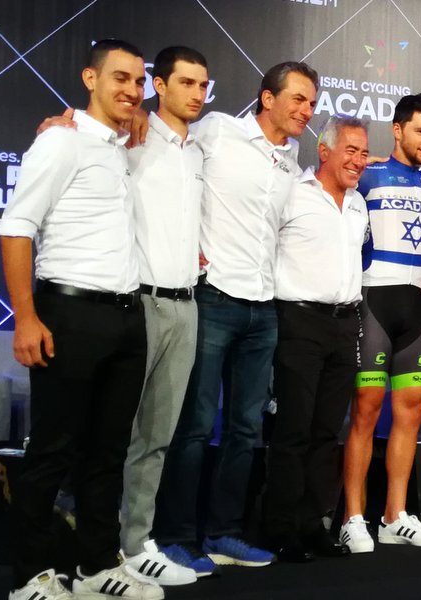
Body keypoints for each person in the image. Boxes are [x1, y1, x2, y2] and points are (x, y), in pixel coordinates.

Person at [0, 39, 163, 600]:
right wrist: (25, 317)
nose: (132, 90)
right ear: (90, 78)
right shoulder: (59, 141)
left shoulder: (123, 146)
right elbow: (16, 228)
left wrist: (134, 122)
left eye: (138, 81)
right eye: (120, 78)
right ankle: (30, 575)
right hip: (68, 312)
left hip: (126, 317)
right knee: (51, 452)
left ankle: (95, 567)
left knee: (108, 454)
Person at [154, 61, 317, 570]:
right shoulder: (218, 130)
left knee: (246, 431)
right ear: (267, 98)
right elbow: (161, 134)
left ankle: (224, 534)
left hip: (263, 310)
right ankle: (175, 537)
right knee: (195, 426)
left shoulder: (293, 157)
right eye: (298, 99)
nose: (306, 111)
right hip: (213, 300)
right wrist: (79, 119)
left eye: (312, 103)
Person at [118, 45, 211, 587]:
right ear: (159, 85)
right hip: (138, 302)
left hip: (187, 304)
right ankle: (96, 541)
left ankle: (137, 542)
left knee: (157, 435)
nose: (197, 94)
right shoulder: (129, 135)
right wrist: (59, 120)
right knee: (119, 430)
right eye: (187, 83)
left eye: (203, 85)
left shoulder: (200, 150)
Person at [338, 93, 421, 553]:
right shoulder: (368, 175)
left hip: (415, 310)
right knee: (365, 410)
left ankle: (394, 515)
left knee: (411, 412)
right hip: (373, 302)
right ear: (397, 130)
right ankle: (352, 518)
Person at [262, 115, 371, 562]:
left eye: (364, 152)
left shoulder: (359, 203)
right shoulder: (292, 193)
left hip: (345, 324)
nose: (358, 160)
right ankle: (279, 529)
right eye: (350, 150)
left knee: (327, 432)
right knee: (293, 429)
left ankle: (313, 525)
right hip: (299, 321)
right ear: (324, 151)